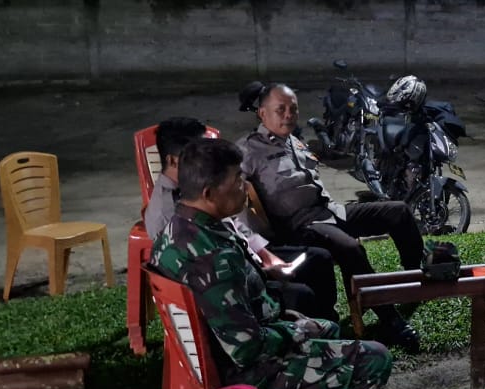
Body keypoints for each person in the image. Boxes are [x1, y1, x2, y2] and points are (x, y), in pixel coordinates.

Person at [150, 137, 392, 389]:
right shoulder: (213, 257)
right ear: (208, 193)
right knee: (374, 358)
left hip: (219, 355)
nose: (244, 186)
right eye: (237, 180)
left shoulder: (175, 230)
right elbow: (247, 349)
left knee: (327, 327)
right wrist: (295, 330)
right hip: (245, 375)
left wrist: (286, 320)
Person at [235, 81, 421, 351]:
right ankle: (389, 320)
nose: (288, 115)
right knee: (350, 248)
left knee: (398, 212)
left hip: (330, 211)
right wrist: (257, 244)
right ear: (262, 113)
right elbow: (231, 198)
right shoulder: (248, 150)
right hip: (300, 226)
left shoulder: (293, 140)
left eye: (293, 109)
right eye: (280, 109)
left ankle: (415, 280)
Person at [144, 117, 340, 323]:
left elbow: (233, 225)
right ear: (173, 161)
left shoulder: (197, 190)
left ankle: (328, 324)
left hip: (245, 259)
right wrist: (262, 271)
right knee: (301, 295)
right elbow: (207, 279)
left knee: (318, 259)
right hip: (231, 285)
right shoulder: (169, 214)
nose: (208, 159)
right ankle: (319, 331)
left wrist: (265, 256)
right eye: (197, 154)